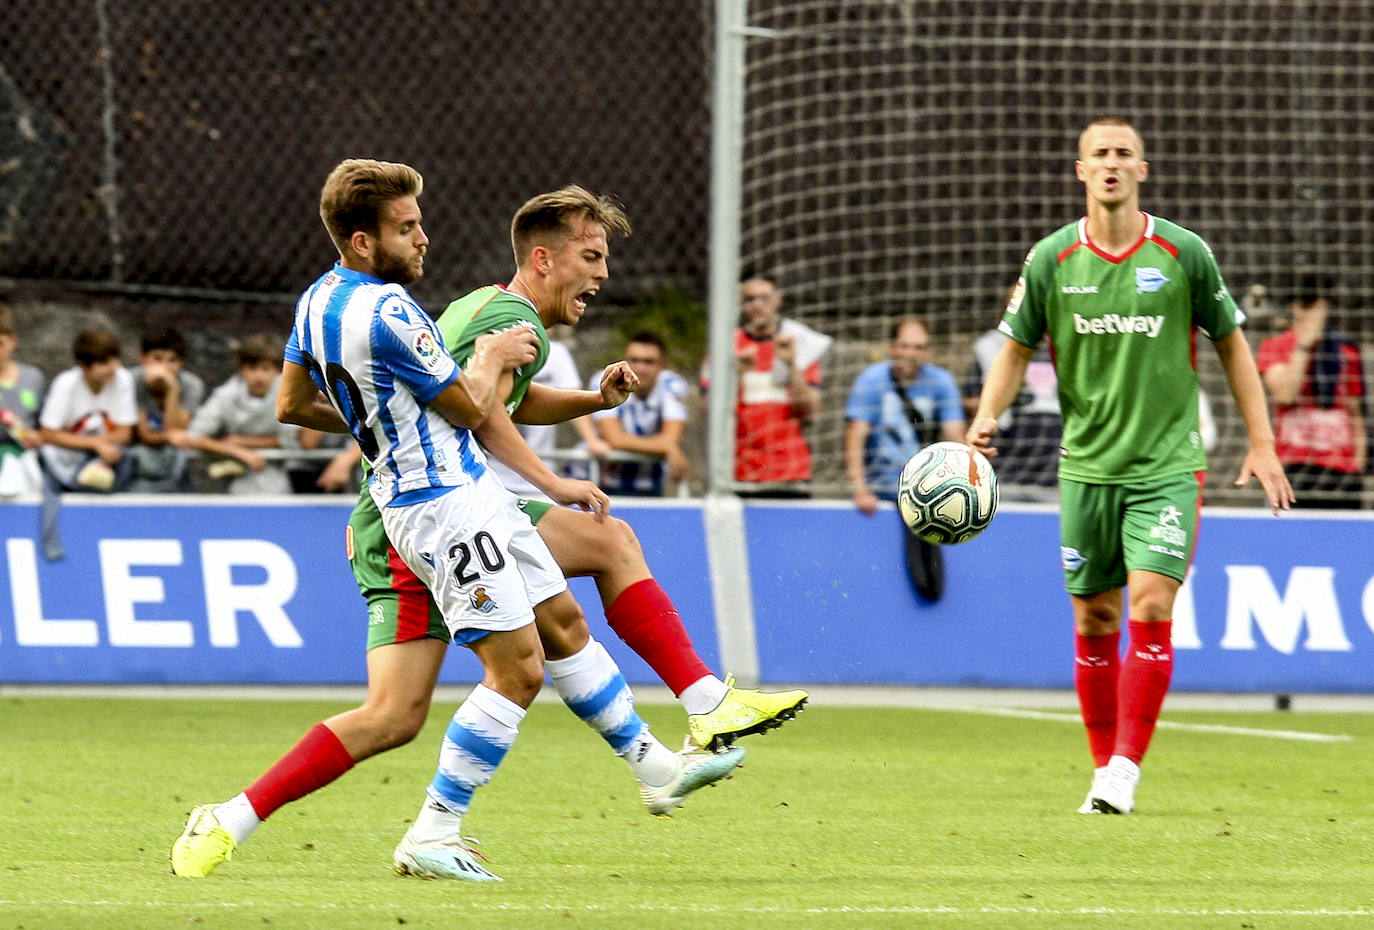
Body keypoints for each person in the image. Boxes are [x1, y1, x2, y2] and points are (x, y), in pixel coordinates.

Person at [171, 163, 744, 884]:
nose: (423, 238)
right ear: (362, 240)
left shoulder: (316, 302)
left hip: (454, 496)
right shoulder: (393, 313)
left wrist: (384, 419)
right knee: (518, 670)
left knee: (543, 632)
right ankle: (435, 831)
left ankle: (656, 766)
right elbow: (474, 408)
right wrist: (492, 358)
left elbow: (292, 404)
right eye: (406, 228)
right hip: (441, 506)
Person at [966, 117, 1293, 817]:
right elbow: (1016, 350)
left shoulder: (1182, 252)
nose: (1111, 163)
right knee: (1095, 618)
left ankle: (1123, 769)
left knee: (1150, 604)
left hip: (1167, 466)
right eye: (1100, 154)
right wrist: (987, 414)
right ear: (1081, 171)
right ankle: (1100, 768)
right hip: (1086, 468)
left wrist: (1261, 442)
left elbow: (1232, 343)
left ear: (1142, 170)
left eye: (1124, 154)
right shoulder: (1051, 259)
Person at [714, 275, 832, 496]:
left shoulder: (800, 343)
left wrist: (792, 366)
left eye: (765, 298)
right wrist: (737, 375)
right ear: (741, 303)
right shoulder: (725, 346)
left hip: (790, 470)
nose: (758, 305)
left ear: (778, 300)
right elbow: (711, 411)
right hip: (741, 471)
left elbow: (811, 412)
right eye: (750, 299)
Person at [1256, 274, 1367, 508]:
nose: (1313, 312)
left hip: (1340, 470)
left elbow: (1355, 413)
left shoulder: (1345, 349)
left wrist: (1358, 463)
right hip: (1294, 465)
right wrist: (1304, 344)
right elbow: (1285, 394)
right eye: (1307, 305)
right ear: (1293, 306)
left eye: (1319, 304)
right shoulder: (1275, 347)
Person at [844, 316, 965, 515]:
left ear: (928, 351)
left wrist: (969, 475)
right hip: (880, 490)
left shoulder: (941, 381)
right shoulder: (872, 380)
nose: (911, 354)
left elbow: (955, 435)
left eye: (919, 348)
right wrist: (860, 490)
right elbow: (855, 437)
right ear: (893, 347)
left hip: (926, 492)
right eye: (905, 346)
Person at [173, 334, 295, 494]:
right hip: (235, 484)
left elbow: (290, 440)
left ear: (277, 370)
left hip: (278, 481)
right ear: (241, 369)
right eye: (252, 368)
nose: (259, 376)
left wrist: (241, 441)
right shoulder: (226, 394)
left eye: (266, 368)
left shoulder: (288, 393)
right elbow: (194, 436)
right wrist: (239, 452)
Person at [486, 336, 609, 496]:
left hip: (539, 479)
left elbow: (571, 396)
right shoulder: (491, 345)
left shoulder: (556, 352)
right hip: (492, 476)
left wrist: (591, 439)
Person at [961, 325, 1062, 500]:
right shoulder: (994, 346)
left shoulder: (1063, 344)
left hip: (1055, 466)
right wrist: (989, 413)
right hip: (1009, 458)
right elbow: (969, 398)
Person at [588, 330, 690, 496]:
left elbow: (672, 438)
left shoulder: (673, 384)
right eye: (634, 360)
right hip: (600, 483)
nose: (640, 368)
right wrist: (666, 447)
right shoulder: (606, 379)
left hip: (651, 485)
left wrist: (668, 444)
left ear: (662, 365)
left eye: (649, 362)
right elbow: (614, 438)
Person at [37, 327, 136, 493]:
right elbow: (47, 434)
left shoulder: (123, 379)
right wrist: (95, 444)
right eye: (104, 363)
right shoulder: (65, 383)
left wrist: (101, 446)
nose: (114, 367)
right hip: (67, 456)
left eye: (116, 359)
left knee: (128, 457)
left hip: (106, 455)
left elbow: (124, 433)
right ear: (84, 366)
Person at [127, 326, 206, 492]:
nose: (164, 367)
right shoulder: (131, 381)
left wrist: (172, 390)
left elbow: (177, 432)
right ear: (143, 358)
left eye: (172, 360)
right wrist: (168, 436)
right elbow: (145, 436)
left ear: (181, 363)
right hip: (136, 458)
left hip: (175, 459)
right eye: (157, 359)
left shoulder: (192, 385)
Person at [0, 302, 45, 498]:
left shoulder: (33, 377)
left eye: (0, 344)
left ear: (13, 341)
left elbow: (45, 427)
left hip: (27, 457)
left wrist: (37, 436)